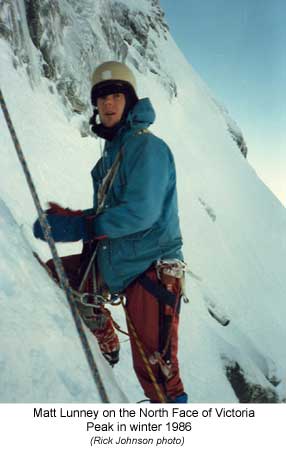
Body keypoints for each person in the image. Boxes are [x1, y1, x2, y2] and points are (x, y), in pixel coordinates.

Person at [33, 61, 188, 403]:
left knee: (157, 374)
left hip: (152, 268)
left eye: (117, 95)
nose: (108, 104)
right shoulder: (110, 155)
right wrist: (71, 219)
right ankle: (105, 337)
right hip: (119, 261)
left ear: (130, 101)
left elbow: (140, 213)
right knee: (57, 274)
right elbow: (109, 213)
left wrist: (79, 225)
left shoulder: (146, 147)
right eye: (102, 97)